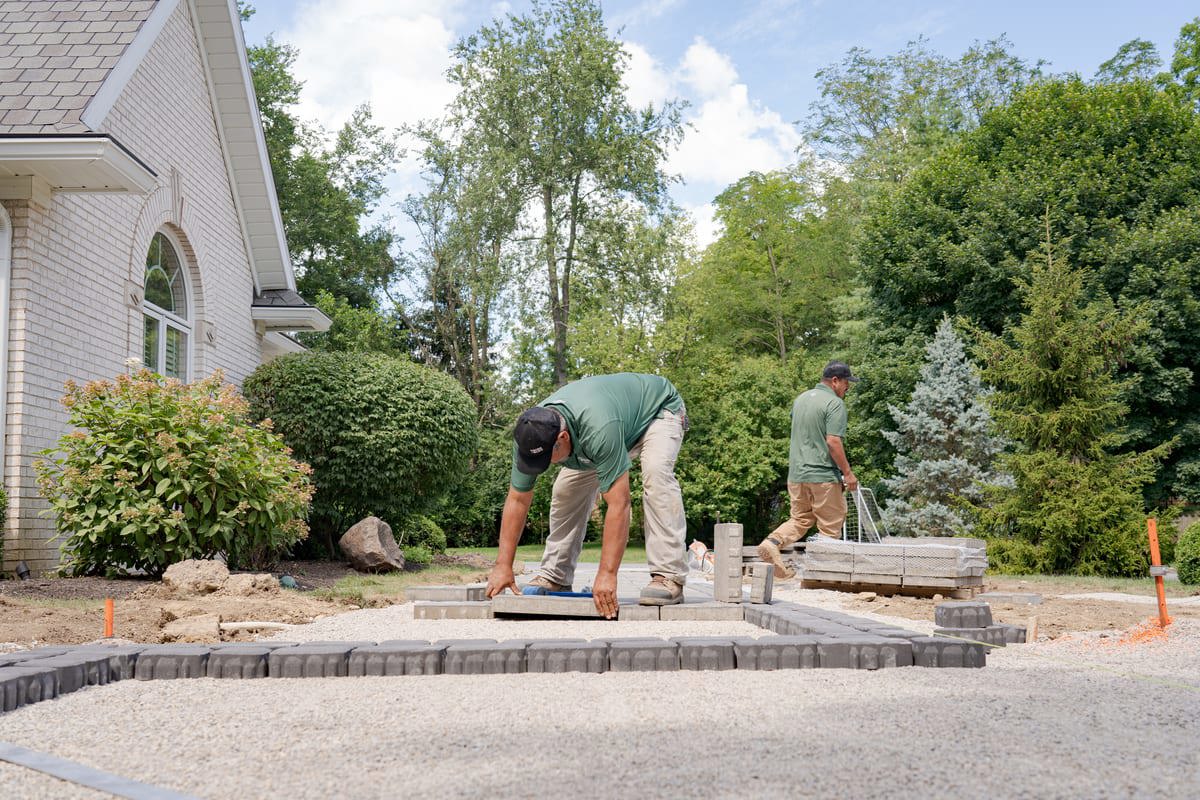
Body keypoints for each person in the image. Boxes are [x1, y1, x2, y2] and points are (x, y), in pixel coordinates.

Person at [485, 373, 690, 618]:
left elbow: (619, 504)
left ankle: (668, 576)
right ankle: (556, 576)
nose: (542, 466)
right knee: (565, 491)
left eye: (545, 458)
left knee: (656, 475)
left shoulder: (598, 427)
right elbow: (518, 499)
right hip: (604, 429)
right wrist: (503, 565)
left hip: (657, 411)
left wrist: (606, 574)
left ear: (562, 438)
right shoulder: (529, 434)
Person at [757, 361, 859, 579]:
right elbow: (833, 442)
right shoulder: (834, 404)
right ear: (834, 381)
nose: (847, 387)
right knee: (831, 525)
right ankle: (825, 574)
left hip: (796, 475)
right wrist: (848, 474)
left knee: (801, 519)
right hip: (822, 475)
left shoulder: (801, 399)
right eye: (846, 383)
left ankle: (772, 542)